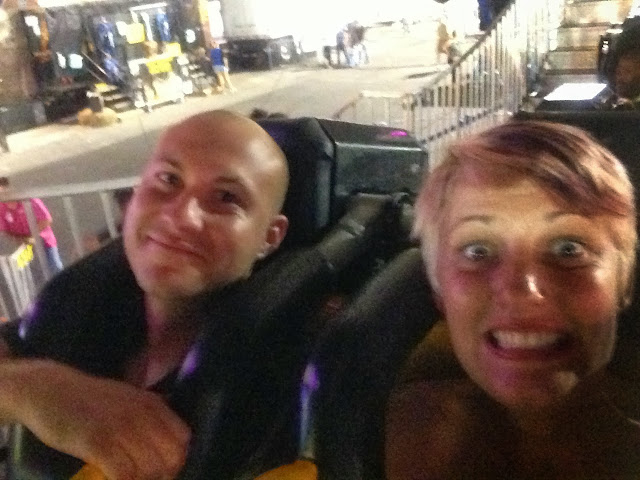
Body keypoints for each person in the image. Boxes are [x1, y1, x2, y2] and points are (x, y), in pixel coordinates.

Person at [0, 110, 290, 479]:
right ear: (135, 194)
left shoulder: (283, 374)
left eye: (226, 197)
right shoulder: (84, 303)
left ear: (269, 237)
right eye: (169, 179)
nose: (181, 216)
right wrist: (35, 389)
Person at [386, 120, 640, 478]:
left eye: (568, 249)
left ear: (624, 281)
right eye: (477, 251)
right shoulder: (363, 430)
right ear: (439, 289)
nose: (523, 291)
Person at [0, 197, 63, 274]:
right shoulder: (1, 207)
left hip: (44, 242)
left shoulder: (31, 200)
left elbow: (46, 220)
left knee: (55, 267)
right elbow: (4, 230)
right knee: (21, 273)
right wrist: (20, 240)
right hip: (21, 247)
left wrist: (32, 236)